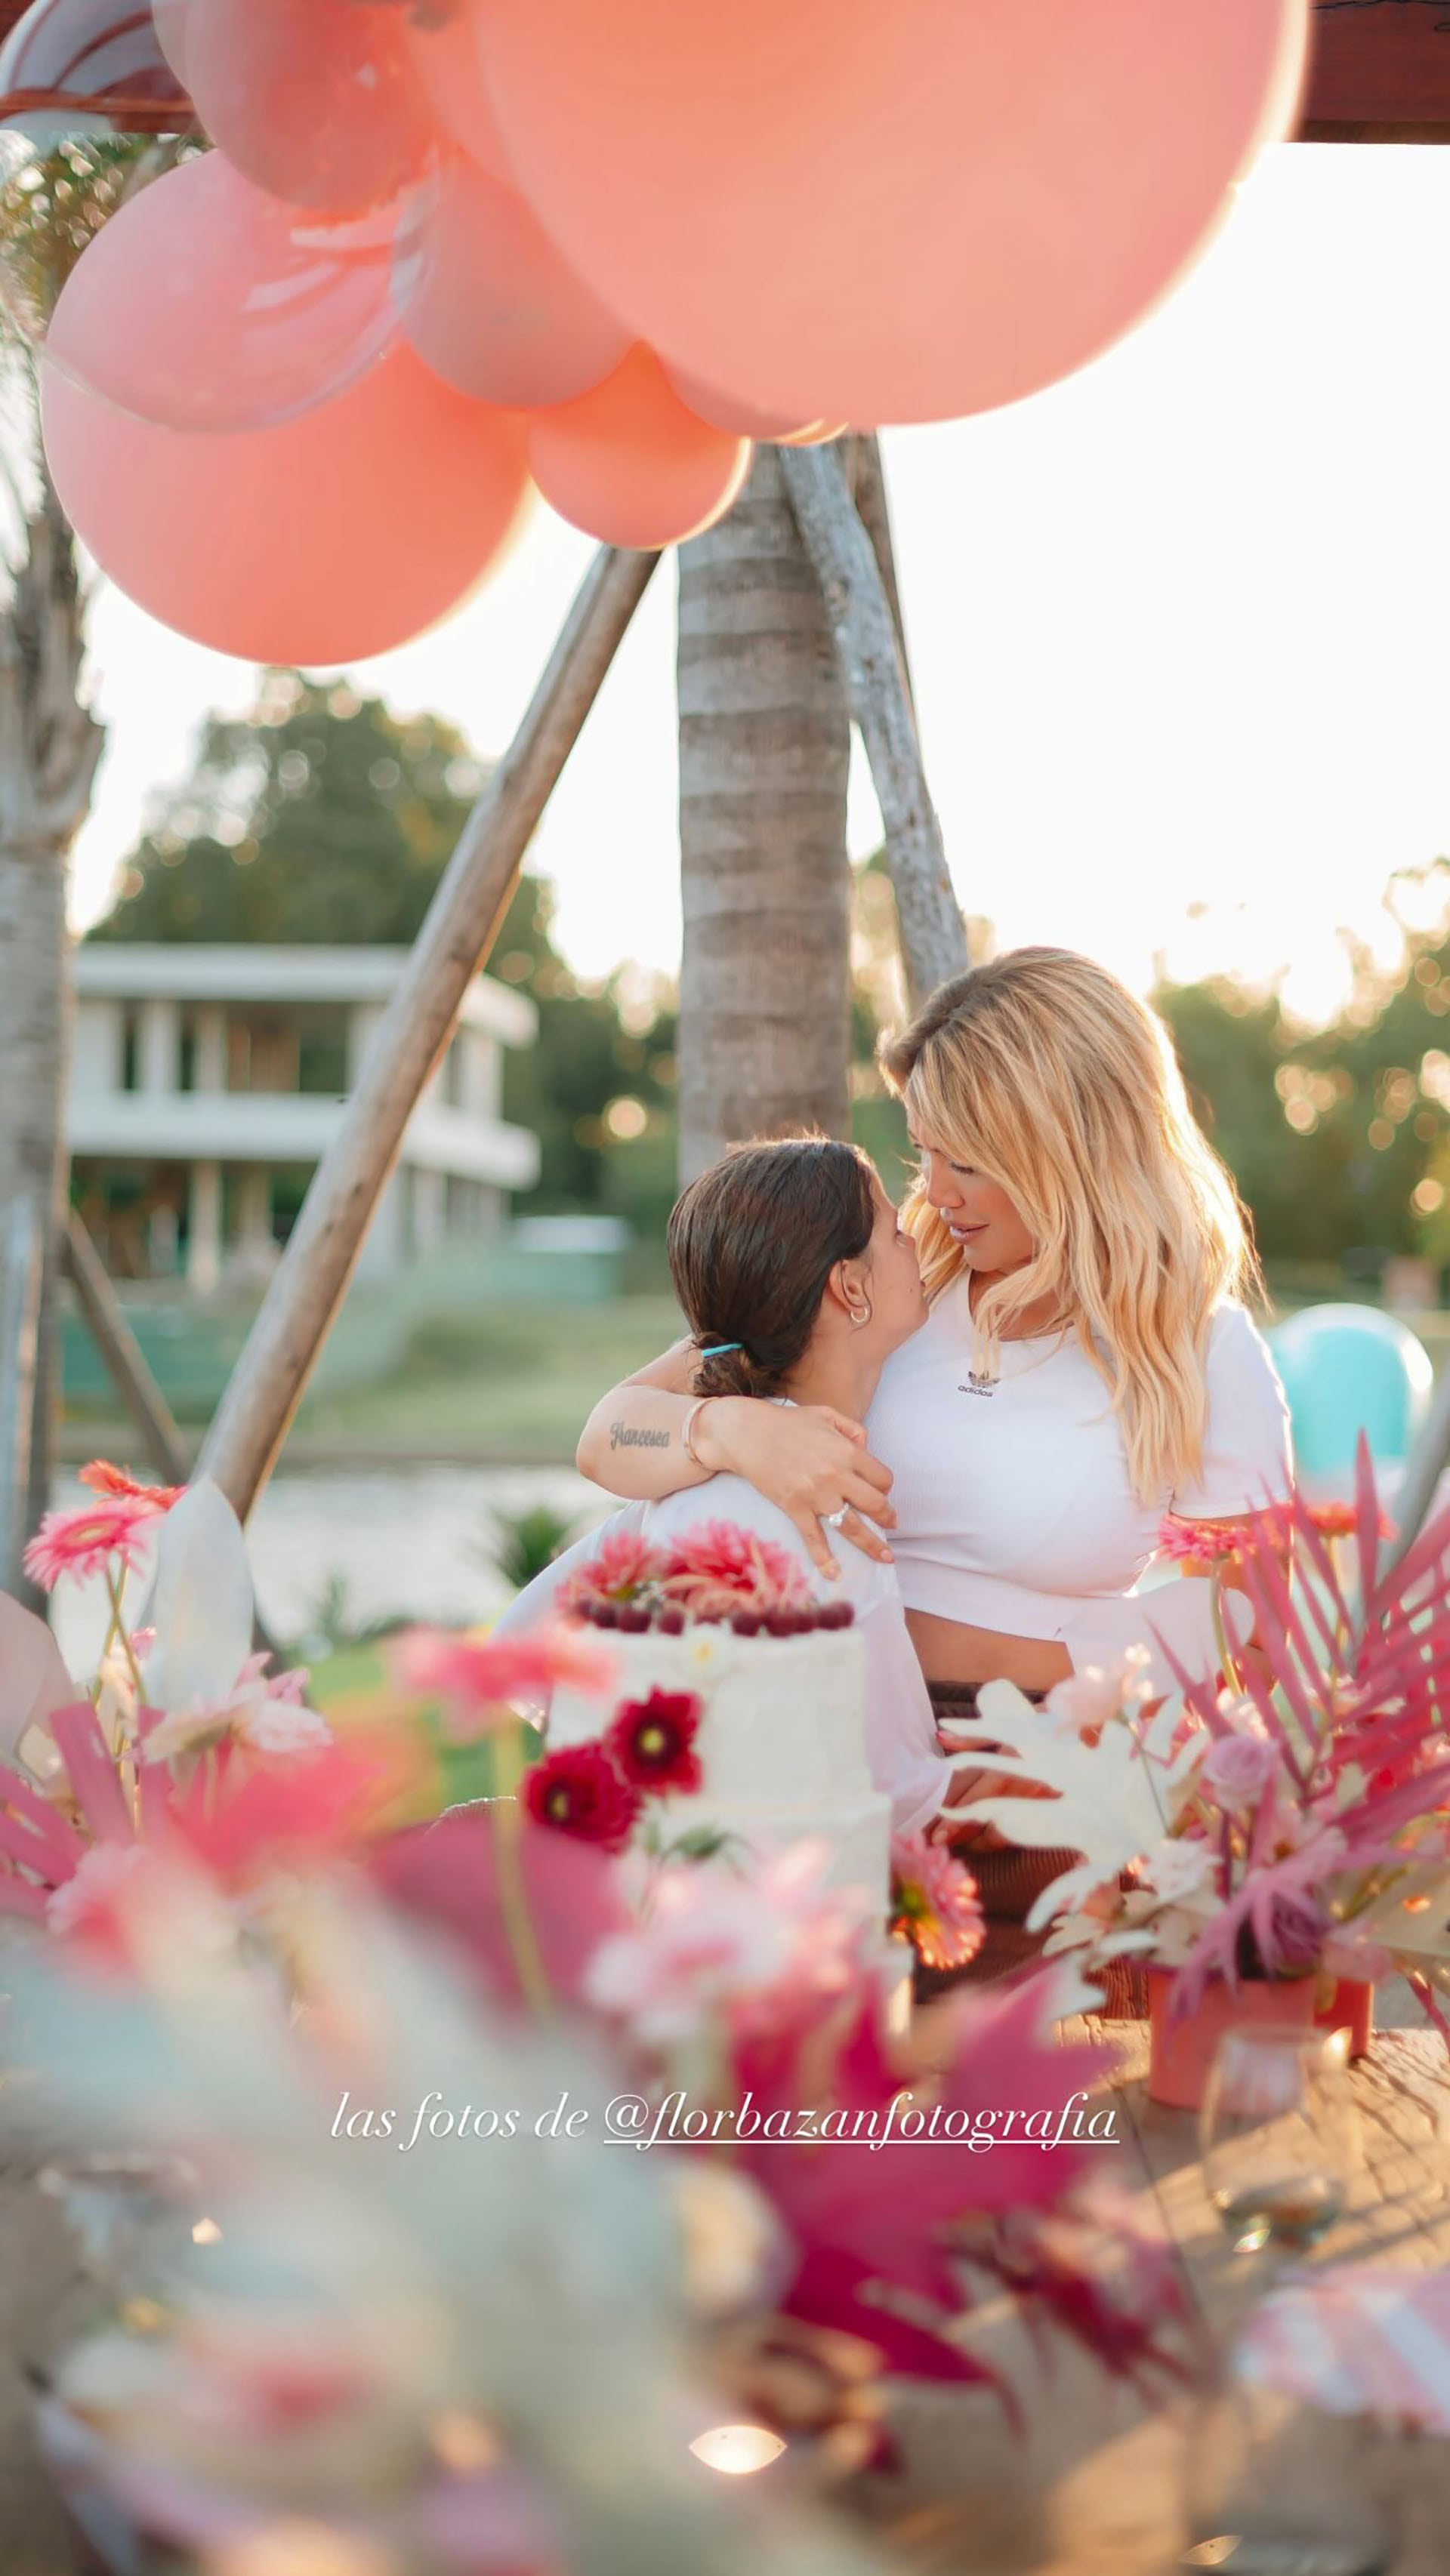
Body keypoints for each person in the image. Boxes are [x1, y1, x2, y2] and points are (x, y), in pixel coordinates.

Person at [575, 948, 1294, 1979]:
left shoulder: (1200, 1349)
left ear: (1067, 1147)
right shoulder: (881, 1287)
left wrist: (1107, 1792)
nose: (935, 1194)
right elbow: (609, 1434)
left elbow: (1245, 1642)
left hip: (1033, 1803)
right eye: (924, 1154)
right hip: (806, 1761)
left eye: (966, 1161)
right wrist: (731, 1432)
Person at [495, 1134, 955, 1838]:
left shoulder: (715, 1461)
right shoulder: (814, 1503)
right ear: (850, 1287)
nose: (917, 1241)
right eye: (896, 1233)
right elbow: (892, 1795)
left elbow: (528, 1630)